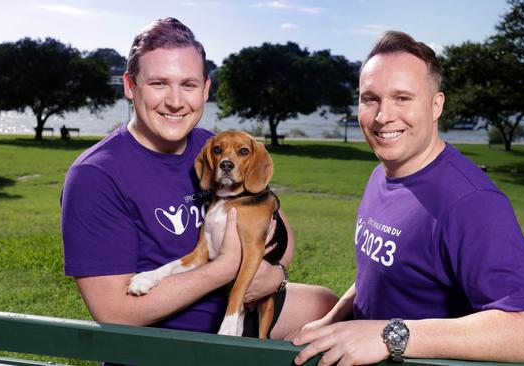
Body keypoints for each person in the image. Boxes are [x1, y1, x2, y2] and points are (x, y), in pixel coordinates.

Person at [291, 31, 524, 365]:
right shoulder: (383, 173)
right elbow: (378, 275)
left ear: (436, 105)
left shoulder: (471, 202)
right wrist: (330, 321)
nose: (382, 116)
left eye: (402, 98)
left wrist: (388, 336)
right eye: (370, 98)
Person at [60, 17, 337, 343]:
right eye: (158, 83)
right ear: (130, 86)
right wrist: (226, 266)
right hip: (173, 344)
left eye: (188, 85)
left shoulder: (214, 146)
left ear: (206, 89)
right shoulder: (95, 175)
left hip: (238, 313)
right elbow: (115, 313)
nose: (176, 101)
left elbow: (281, 237)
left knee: (330, 309)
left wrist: (274, 274)